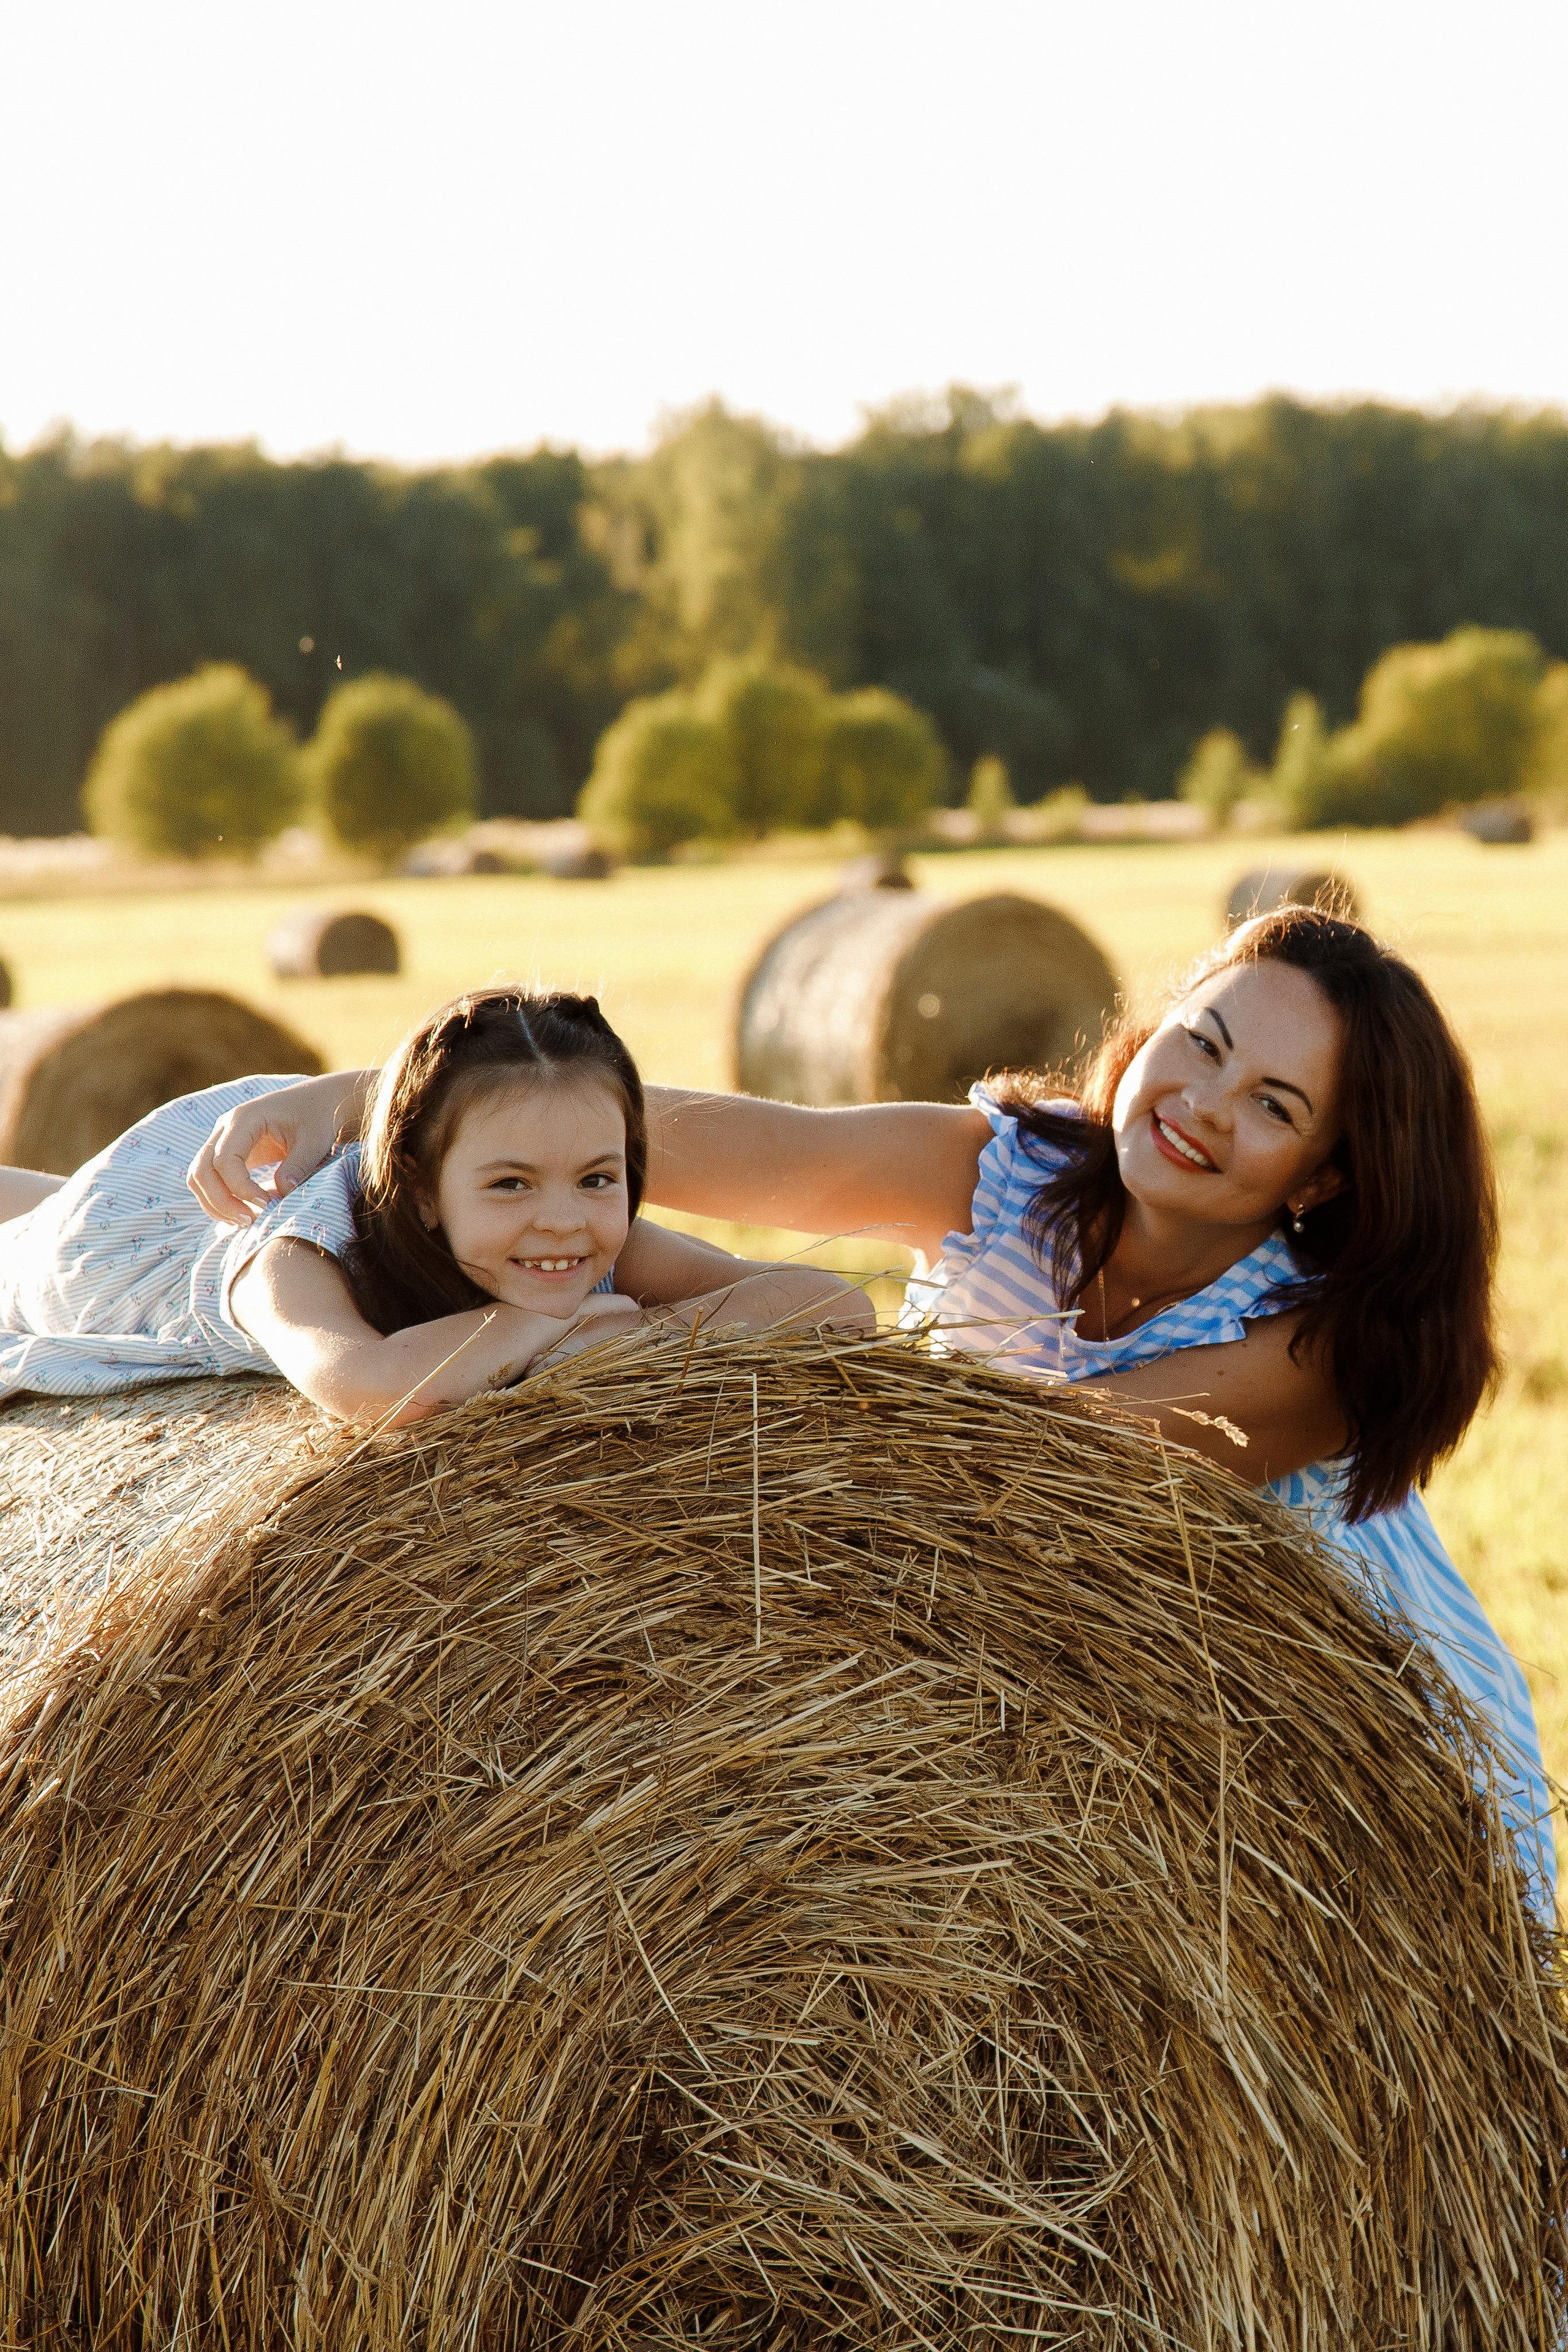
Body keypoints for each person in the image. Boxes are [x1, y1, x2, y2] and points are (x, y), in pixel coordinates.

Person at [188, 911, 1555, 1910]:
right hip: (1012, 1656)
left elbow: (1024, 1475)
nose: (1199, 1104)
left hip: (1327, 1765)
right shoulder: (1008, 1172)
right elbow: (698, 1140)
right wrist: (391, 1103)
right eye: (1200, 1044)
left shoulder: (1311, 1348)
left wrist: (677, 1338)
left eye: (1270, 1104)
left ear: (1320, 1176)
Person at [0, 987, 870, 1424]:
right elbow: (371, 1385)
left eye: (598, 1178)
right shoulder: (293, 1262)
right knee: (24, 1240)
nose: (563, 1219)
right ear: (421, 1187)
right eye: (511, 1184)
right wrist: (555, 1329)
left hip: (301, 1168)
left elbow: (832, 1303)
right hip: (118, 1237)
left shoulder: (576, 1235)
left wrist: (629, 1339)